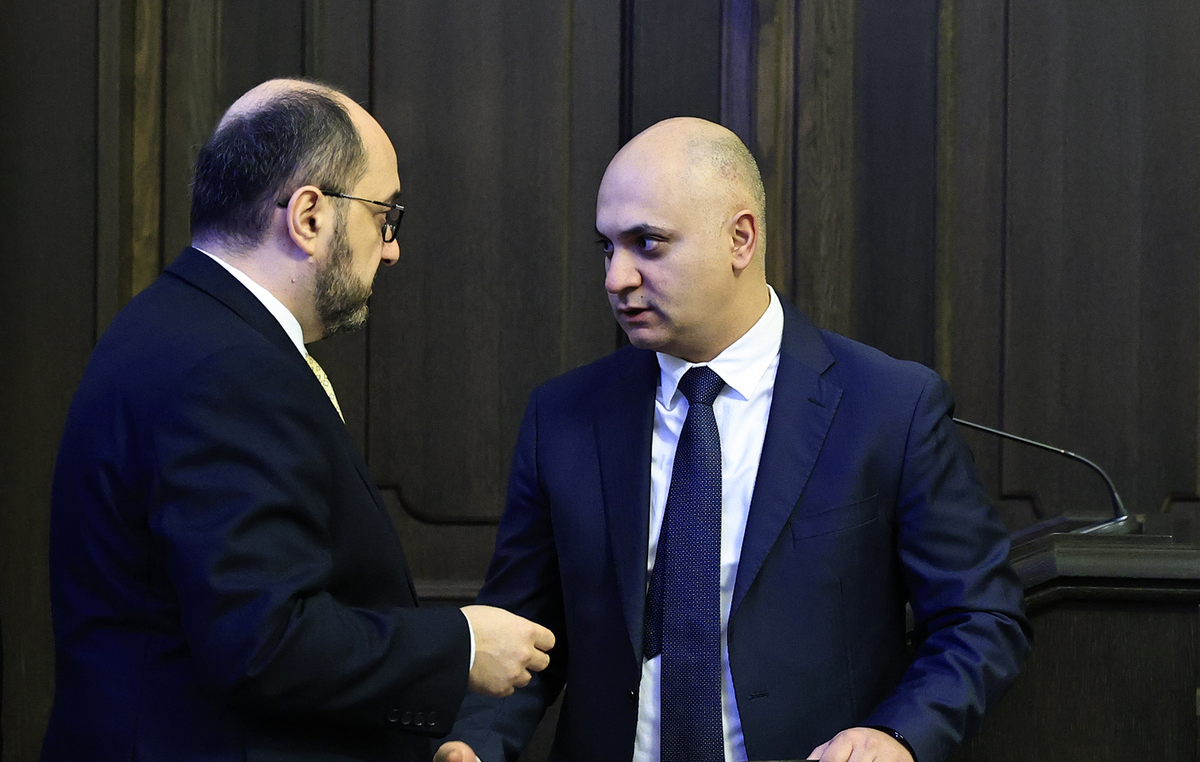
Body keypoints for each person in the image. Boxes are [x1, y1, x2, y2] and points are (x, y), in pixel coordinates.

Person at [436, 117, 1031, 762]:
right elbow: (520, 631)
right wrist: (473, 743)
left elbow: (981, 618)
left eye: (647, 244)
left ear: (740, 239)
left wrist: (898, 735)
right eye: (607, 248)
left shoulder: (889, 406)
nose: (616, 278)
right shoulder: (563, 417)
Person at [41, 79, 554, 762]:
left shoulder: (175, 323)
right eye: (385, 215)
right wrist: (460, 646)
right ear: (309, 216)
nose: (392, 249)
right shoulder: (229, 369)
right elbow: (262, 643)